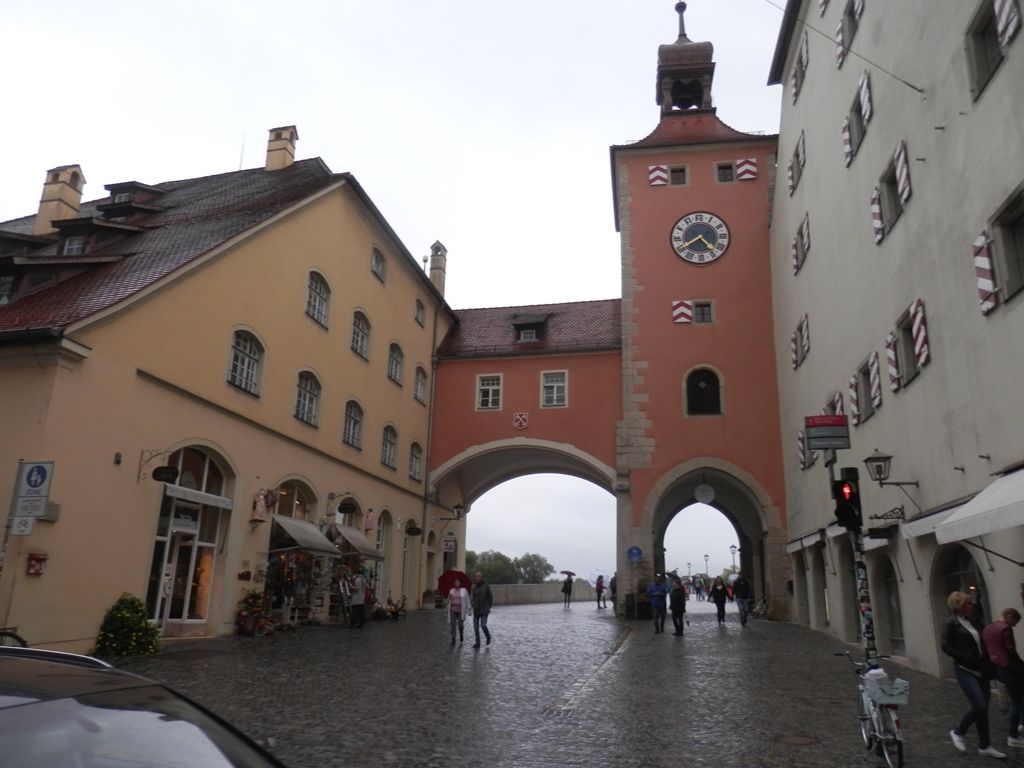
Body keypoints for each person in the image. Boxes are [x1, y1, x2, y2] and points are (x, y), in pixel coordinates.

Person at [942, 590, 1006, 759]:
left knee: (983, 710)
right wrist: (964, 657)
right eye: (968, 603)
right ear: (960, 606)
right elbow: (945, 645)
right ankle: (958, 731)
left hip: (981, 668)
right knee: (979, 706)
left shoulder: (974, 621)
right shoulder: (951, 623)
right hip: (965, 669)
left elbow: (984, 637)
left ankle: (985, 745)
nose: (972, 605)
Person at [983, 608, 1024, 749]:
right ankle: (1013, 736)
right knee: (1016, 701)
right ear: (1009, 616)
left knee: (1018, 697)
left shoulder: (988, 628)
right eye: (1014, 622)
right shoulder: (1005, 629)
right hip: (1010, 669)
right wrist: (1021, 665)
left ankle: (1021, 725)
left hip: (998, 668)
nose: (1014, 626)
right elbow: (1011, 651)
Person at [471, 571, 493, 649]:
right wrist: (472, 603)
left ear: (482, 577)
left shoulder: (486, 586)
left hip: (484, 609)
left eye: (478, 576)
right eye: (476, 576)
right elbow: (473, 597)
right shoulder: (474, 587)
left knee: (483, 625)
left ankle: (488, 636)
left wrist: (489, 606)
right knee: (475, 627)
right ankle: (478, 642)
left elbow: (490, 597)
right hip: (476, 609)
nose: (477, 578)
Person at [446, 577, 471, 645]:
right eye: (455, 582)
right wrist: (449, 597)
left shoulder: (464, 590)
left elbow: (467, 599)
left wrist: (469, 608)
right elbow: (448, 601)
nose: (456, 583)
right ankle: (453, 639)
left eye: (458, 582)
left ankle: (461, 634)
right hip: (452, 610)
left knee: (460, 624)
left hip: (461, 611)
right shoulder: (451, 590)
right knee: (453, 625)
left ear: (460, 583)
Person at [348, 564, 366, 629]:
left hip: (356, 597)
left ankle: (353, 623)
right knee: (360, 611)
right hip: (361, 597)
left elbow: (356, 589)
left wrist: (350, 585)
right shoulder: (363, 578)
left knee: (355, 611)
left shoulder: (358, 579)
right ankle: (361, 623)